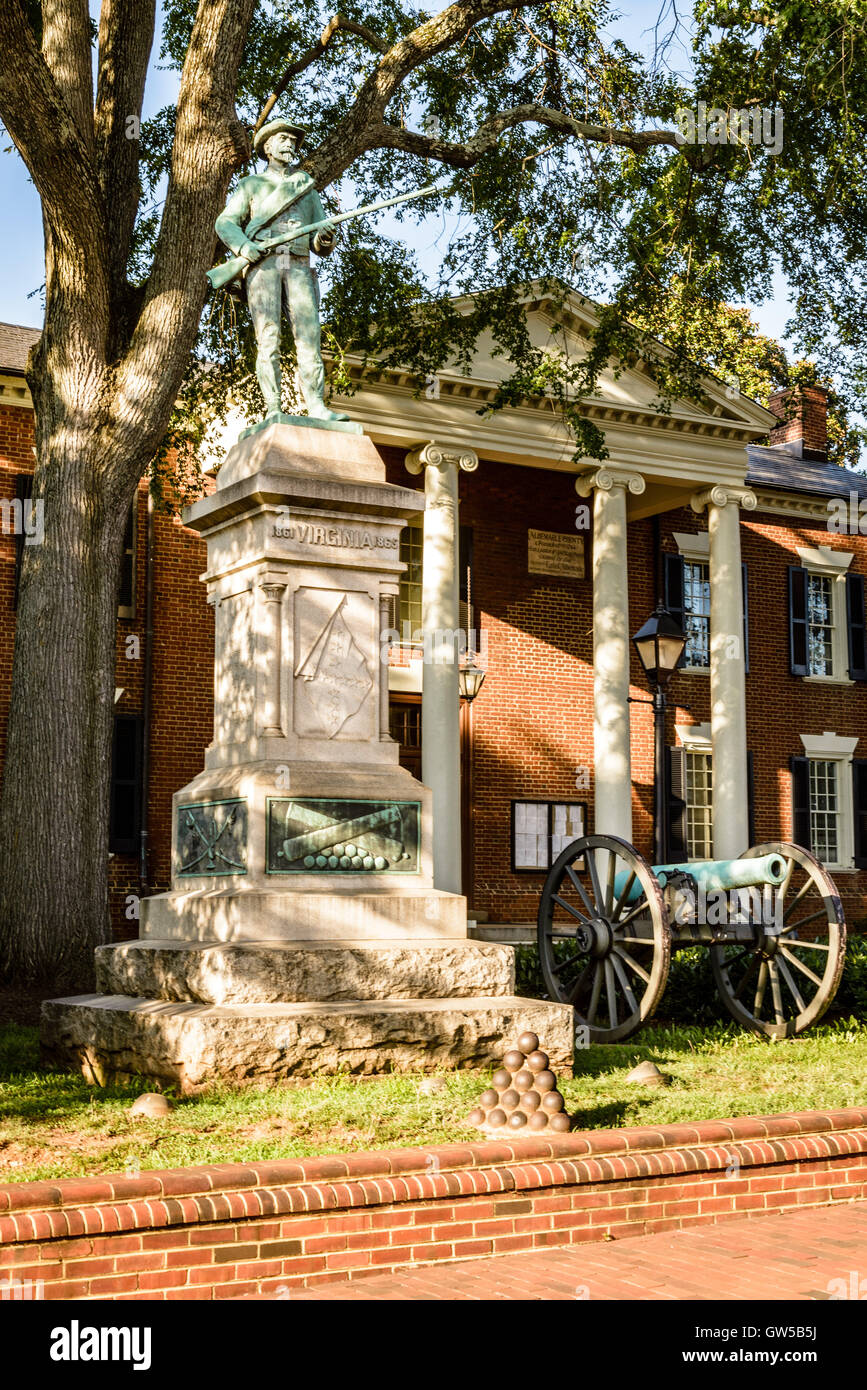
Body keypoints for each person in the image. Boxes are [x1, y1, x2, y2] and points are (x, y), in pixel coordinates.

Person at [214, 118, 349, 423]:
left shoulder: (305, 187)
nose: (290, 145)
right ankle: (273, 407)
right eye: (284, 139)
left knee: (309, 335)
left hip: (298, 263)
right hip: (266, 263)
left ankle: (316, 405)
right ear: (268, 146)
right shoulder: (252, 185)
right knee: (269, 337)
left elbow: (320, 242)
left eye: (293, 141)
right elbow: (225, 223)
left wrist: (324, 238)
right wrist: (244, 248)